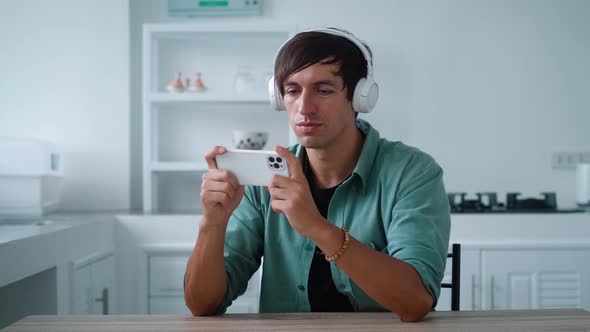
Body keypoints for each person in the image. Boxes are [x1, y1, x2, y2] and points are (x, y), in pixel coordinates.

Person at [184, 27, 450, 322]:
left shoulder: (412, 173)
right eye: (292, 91)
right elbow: (202, 305)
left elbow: (415, 303)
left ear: (361, 97)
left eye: (323, 90)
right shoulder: (264, 180)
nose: (304, 108)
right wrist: (212, 223)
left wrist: (315, 226)